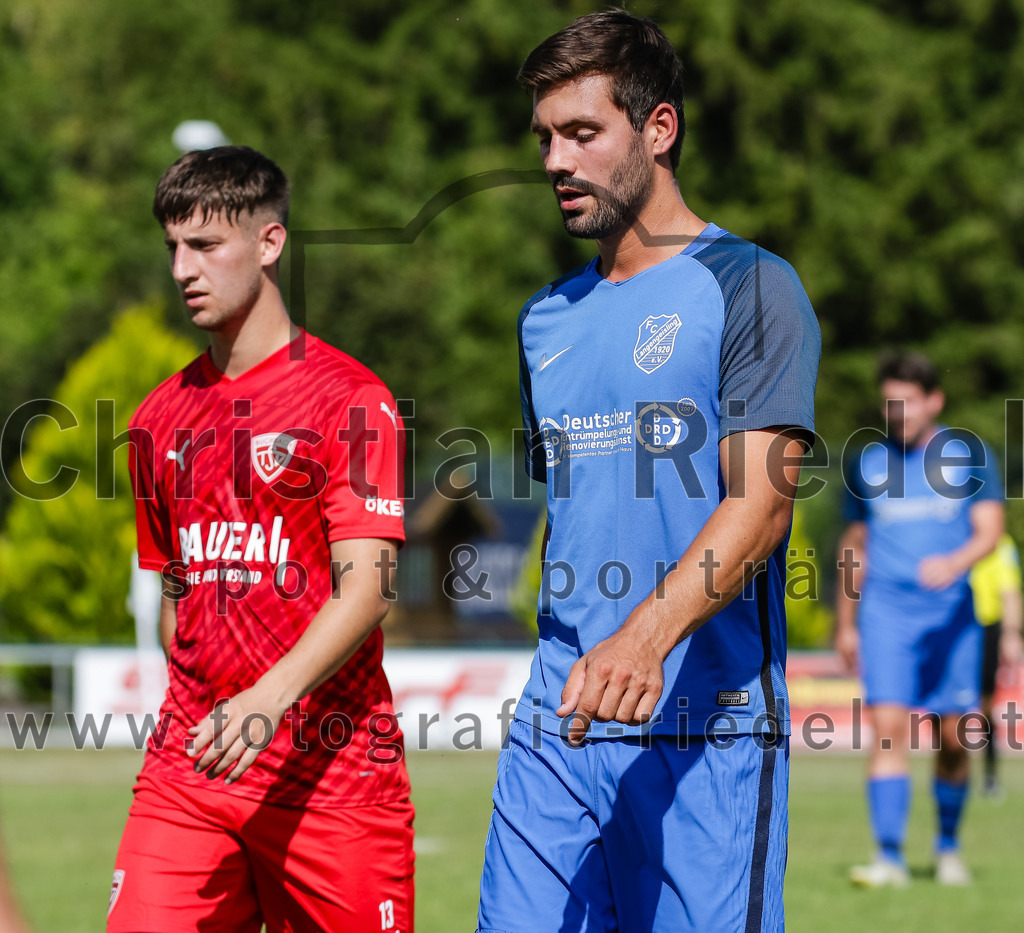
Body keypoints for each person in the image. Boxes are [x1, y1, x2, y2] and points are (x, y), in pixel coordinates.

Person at [476, 11, 820, 933]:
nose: (555, 160)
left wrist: (646, 636)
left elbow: (762, 507)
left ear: (658, 129)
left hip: (705, 718)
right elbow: (579, 513)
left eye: (583, 133)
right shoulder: (543, 319)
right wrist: (591, 653)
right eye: (545, 136)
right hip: (561, 716)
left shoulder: (750, 284)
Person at [110, 146, 413, 932]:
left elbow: (371, 585)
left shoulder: (349, 397)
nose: (182, 268)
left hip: (332, 773)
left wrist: (265, 700)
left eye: (206, 245)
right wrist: (209, 706)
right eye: (173, 246)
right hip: (192, 766)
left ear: (270, 243)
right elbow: (175, 589)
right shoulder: (156, 419)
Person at [836, 350, 1004, 888]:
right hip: (886, 615)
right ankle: (889, 857)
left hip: (952, 619)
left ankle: (948, 846)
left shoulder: (968, 455)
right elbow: (854, 546)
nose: (898, 413)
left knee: (955, 738)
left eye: (907, 403)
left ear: (934, 401)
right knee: (886, 733)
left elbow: (990, 530)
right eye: (890, 403)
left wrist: (954, 563)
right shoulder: (865, 462)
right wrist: (845, 622)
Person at [969, 532, 1023, 797]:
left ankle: (989, 775)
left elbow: (1010, 589)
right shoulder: (952, 535)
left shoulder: (1000, 543)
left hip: (986, 628)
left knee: (986, 704)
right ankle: (949, 775)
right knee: (946, 706)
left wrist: (1012, 632)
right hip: (953, 628)